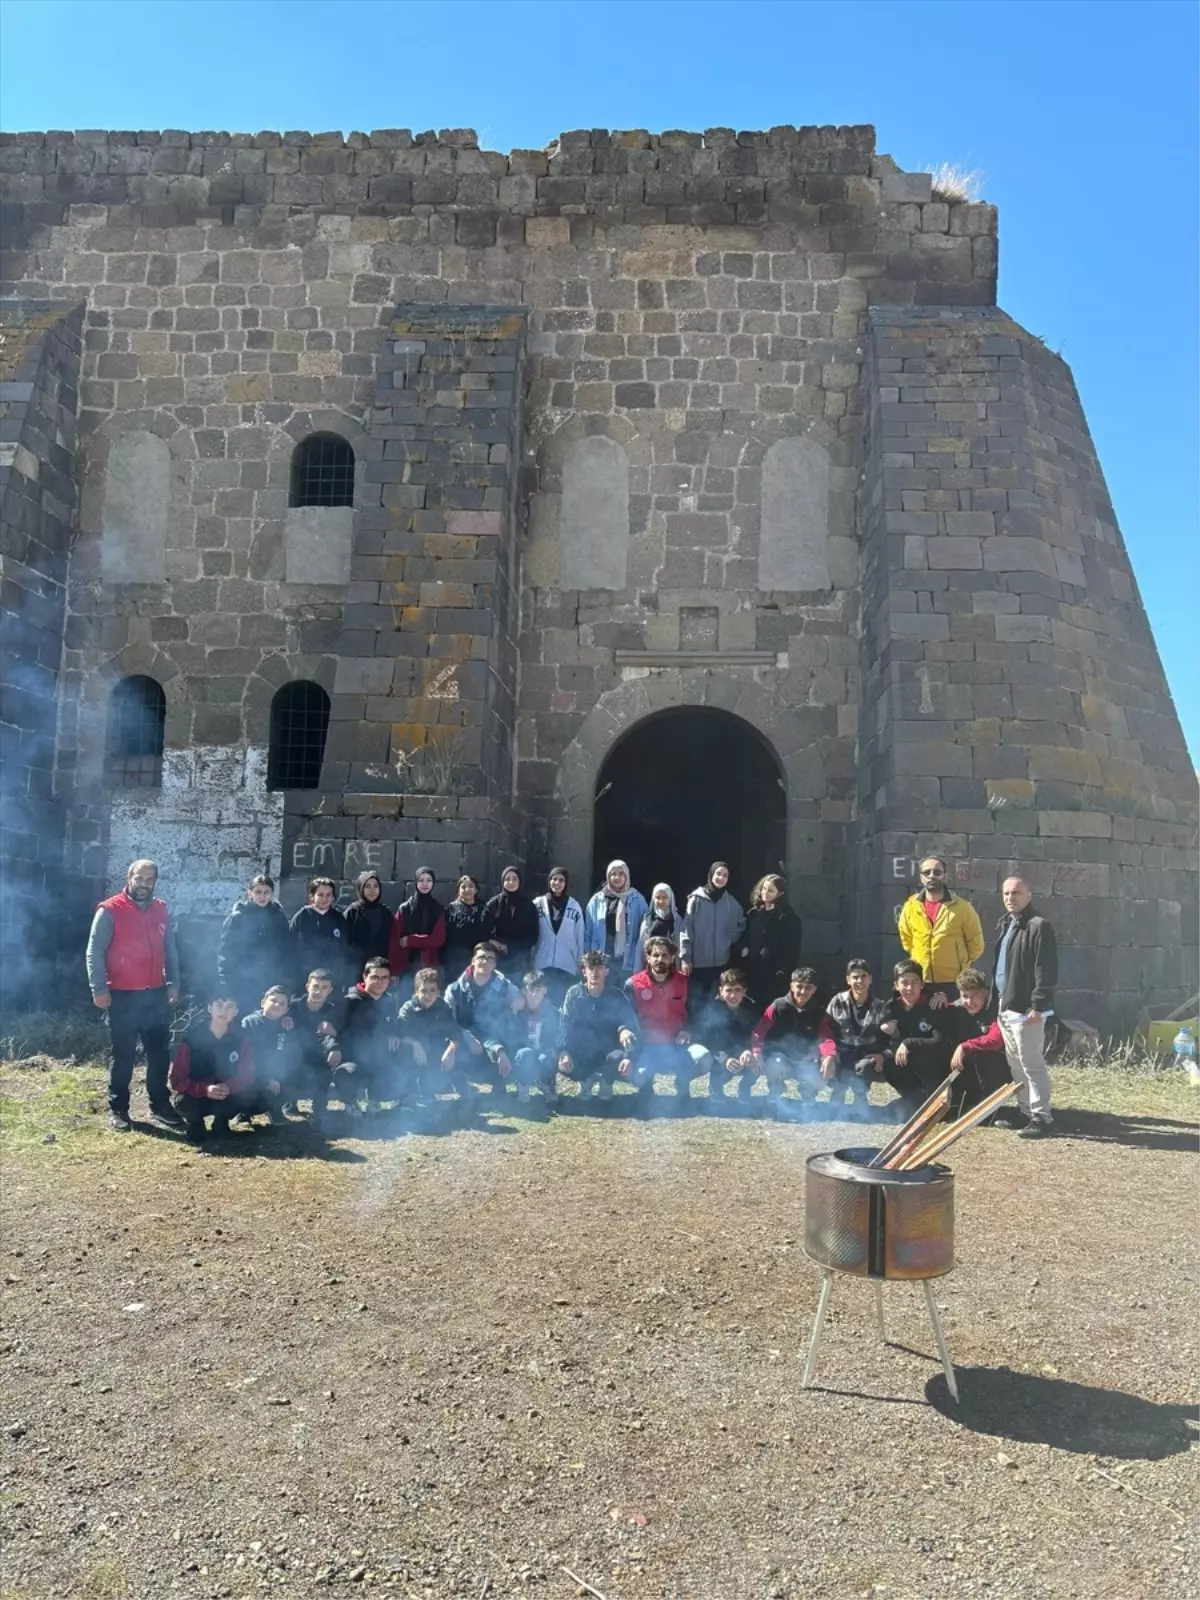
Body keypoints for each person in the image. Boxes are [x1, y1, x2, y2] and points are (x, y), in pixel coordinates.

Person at [86, 858, 182, 1133]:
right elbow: (94, 952)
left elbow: (170, 949)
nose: (144, 884)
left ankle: (160, 1104)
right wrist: (99, 989)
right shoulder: (109, 910)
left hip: (155, 995)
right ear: (129, 877)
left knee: (159, 1053)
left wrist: (174, 982)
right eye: (140, 878)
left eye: (150, 879)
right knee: (123, 1055)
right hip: (123, 996)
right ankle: (118, 1109)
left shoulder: (161, 909)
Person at [992, 877, 1059, 1138]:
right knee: (1015, 1064)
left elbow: (1046, 968)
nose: (1011, 897)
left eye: (1017, 893)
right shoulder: (1007, 923)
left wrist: (1038, 1004)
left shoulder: (1038, 926)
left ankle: (1042, 1117)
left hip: (1026, 1008)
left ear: (1028, 895)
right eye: (1007, 893)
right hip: (1005, 1004)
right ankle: (1024, 1112)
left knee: (1031, 1063)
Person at [624, 936, 710, 1107]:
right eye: (655, 955)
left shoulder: (685, 982)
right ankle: (646, 1087)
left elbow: (698, 1014)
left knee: (704, 1058)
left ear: (672, 958)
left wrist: (689, 1030)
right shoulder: (633, 984)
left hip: (677, 1047)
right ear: (647, 957)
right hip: (647, 1047)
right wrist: (627, 1038)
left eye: (664, 955)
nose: (660, 960)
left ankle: (682, 1081)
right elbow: (626, 1018)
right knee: (637, 1075)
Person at [168, 994, 258, 1145]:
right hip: (198, 1095)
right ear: (209, 1008)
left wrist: (229, 1086)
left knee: (248, 1094)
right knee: (182, 1101)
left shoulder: (241, 1038)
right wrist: (204, 1089)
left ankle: (221, 1122)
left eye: (230, 1007)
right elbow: (177, 1080)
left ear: (236, 1012)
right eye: (219, 1006)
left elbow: (247, 1074)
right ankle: (196, 1124)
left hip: (226, 1093)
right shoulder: (191, 1037)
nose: (224, 1011)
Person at [556, 951, 638, 1106]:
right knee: (561, 1058)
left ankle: (606, 1083)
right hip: (581, 1050)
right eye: (590, 968)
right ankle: (585, 1081)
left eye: (599, 967)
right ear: (583, 971)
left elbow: (631, 1025)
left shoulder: (616, 995)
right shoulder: (574, 994)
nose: (595, 972)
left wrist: (629, 1054)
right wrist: (562, 1050)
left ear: (606, 971)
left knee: (618, 1058)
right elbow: (563, 1024)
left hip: (609, 1051)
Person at [896, 857, 985, 1000]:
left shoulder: (963, 908)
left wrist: (960, 962)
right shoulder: (910, 907)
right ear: (921, 877)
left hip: (953, 981)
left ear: (945, 876)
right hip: (921, 979)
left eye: (937, 872)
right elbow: (906, 939)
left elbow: (976, 943)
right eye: (927, 872)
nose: (932, 876)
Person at [444, 944, 522, 1104]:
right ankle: (463, 1089)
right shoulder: (454, 989)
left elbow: (521, 998)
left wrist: (517, 1004)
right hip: (463, 1039)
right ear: (473, 961)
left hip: (493, 1040)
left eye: (490, 959)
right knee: (451, 1046)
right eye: (481, 957)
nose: (485, 962)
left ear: (494, 965)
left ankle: (499, 1085)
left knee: (507, 1039)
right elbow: (448, 1022)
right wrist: (466, 1037)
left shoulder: (505, 987)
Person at [878, 960, 952, 1116]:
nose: (910, 988)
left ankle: (930, 1099)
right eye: (904, 983)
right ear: (896, 985)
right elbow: (880, 1035)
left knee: (922, 1058)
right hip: (907, 1065)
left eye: (915, 982)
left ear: (922, 984)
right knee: (890, 1061)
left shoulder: (934, 1004)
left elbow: (941, 1042)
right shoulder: (891, 1007)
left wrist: (909, 1043)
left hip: (933, 1065)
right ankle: (913, 1097)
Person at [396, 967, 475, 1113]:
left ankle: (463, 1091)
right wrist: (416, 1044)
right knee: (404, 1052)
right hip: (414, 1053)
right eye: (424, 991)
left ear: (438, 992)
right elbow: (400, 1034)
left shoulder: (442, 1007)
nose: (428, 995)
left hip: (436, 1051)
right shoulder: (408, 1008)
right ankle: (406, 1095)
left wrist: (450, 1051)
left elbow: (455, 1033)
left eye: (432, 990)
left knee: (459, 1050)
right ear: (416, 991)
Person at [216, 875, 293, 1021]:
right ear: (250, 893)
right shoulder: (238, 917)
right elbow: (225, 951)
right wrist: (226, 980)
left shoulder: (279, 917)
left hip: (271, 981)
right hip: (243, 981)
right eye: (258, 892)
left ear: (272, 894)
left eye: (266, 892)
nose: (262, 896)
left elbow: (286, 951)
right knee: (243, 1021)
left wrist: (284, 979)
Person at [751, 966, 826, 1109]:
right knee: (774, 1064)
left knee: (819, 1073)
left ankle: (808, 1094)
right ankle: (775, 1091)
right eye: (799, 986)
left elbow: (823, 1037)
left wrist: (816, 1052)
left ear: (814, 989)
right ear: (791, 985)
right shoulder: (778, 1006)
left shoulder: (819, 1011)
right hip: (781, 1057)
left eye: (808, 988)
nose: (803, 992)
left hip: (806, 1058)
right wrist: (756, 1051)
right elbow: (759, 1031)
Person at [817, 959, 890, 1105]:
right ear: (848, 979)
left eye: (863, 976)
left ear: (870, 979)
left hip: (865, 1056)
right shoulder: (837, 1001)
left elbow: (887, 1038)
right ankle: (837, 1091)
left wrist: (882, 1054)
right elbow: (825, 1031)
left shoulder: (879, 1006)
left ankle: (861, 1097)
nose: (860, 981)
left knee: (865, 1066)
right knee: (821, 1060)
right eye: (855, 977)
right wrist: (828, 1054)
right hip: (840, 1052)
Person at [339, 958, 406, 1115]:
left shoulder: (389, 1001)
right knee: (347, 1072)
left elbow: (394, 1025)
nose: (380, 982)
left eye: (384, 978)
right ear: (365, 977)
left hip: (378, 1056)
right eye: (375, 977)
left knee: (402, 1057)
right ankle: (350, 1103)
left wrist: (394, 1034)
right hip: (352, 1057)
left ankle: (375, 1100)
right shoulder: (350, 1000)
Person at [944, 966, 1011, 1118]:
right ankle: (964, 1100)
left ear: (985, 993)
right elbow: (941, 1010)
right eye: (965, 996)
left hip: (1000, 1067)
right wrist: (938, 998)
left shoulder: (995, 1010)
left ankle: (992, 1108)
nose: (969, 1001)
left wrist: (964, 1046)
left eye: (975, 996)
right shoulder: (958, 1008)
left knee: (984, 1056)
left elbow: (995, 1040)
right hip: (971, 1068)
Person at [694, 967, 761, 1111]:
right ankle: (716, 1089)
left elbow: (755, 1034)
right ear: (720, 991)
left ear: (744, 992)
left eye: (737, 990)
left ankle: (744, 1089)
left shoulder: (751, 1009)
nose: (733, 995)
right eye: (728, 990)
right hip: (720, 1053)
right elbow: (709, 1040)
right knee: (716, 1064)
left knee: (758, 1061)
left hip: (742, 1052)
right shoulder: (712, 1009)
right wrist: (724, 1059)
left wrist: (750, 1051)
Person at [291, 968, 349, 1123]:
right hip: (293, 1053)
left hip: (319, 1055)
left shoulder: (333, 1011)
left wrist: (335, 1045)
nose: (318, 991)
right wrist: (282, 1019)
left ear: (330, 990)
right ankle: (288, 1104)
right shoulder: (292, 1006)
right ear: (307, 986)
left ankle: (320, 1107)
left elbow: (341, 1034)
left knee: (324, 1070)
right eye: (315, 986)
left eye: (324, 988)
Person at [680, 862, 746, 999]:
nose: (721, 878)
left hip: (721, 964)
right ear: (711, 874)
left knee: (716, 1007)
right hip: (698, 963)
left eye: (725, 875)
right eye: (718, 874)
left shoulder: (731, 902)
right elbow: (686, 929)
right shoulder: (696, 899)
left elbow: (741, 924)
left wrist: (729, 940)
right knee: (697, 1005)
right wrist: (685, 957)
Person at [739, 875, 802, 1007]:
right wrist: (744, 948)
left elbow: (792, 949)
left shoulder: (788, 918)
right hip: (752, 970)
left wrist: (782, 973)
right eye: (764, 889)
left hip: (774, 975)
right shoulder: (754, 913)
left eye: (770, 890)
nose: (765, 893)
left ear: (780, 894)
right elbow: (745, 935)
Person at [583, 861, 649, 981]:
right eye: (613, 874)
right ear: (608, 877)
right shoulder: (597, 900)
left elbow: (646, 931)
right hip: (602, 955)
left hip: (628, 957)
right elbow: (588, 931)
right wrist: (587, 958)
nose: (617, 877)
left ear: (626, 876)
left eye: (621, 874)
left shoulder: (638, 900)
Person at [531, 868, 586, 1003]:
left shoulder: (575, 907)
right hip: (542, 961)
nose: (557, 883)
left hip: (566, 964)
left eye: (561, 880)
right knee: (543, 1003)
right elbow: (531, 931)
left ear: (566, 883)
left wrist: (580, 963)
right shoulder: (537, 904)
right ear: (549, 881)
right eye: (554, 879)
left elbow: (580, 936)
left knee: (562, 1002)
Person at [290, 876, 351, 991]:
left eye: (328, 895)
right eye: (320, 895)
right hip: (305, 978)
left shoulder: (338, 918)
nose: (324, 898)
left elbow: (344, 949)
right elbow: (290, 946)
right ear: (312, 896)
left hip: (333, 980)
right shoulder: (302, 916)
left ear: (333, 897)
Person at [510, 970, 562, 1104]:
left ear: (545, 990)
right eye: (530, 990)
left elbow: (559, 1034)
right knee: (525, 1054)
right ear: (524, 990)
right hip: (522, 1054)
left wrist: (556, 1049)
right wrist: (513, 1011)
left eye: (538, 990)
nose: (534, 994)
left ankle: (546, 1084)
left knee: (547, 1057)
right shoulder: (518, 1009)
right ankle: (523, 1087)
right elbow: (508, 1033)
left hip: (542, 1051)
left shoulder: (552, 1011)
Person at [389, 867, 447, 981]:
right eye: (421, 880)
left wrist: (411, 940)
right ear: (416, 882)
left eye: (429, 880)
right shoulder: (404, 908)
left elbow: (438, 939)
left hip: (429, 965)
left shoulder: (438, 909)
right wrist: (394, 971)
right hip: (406, 965)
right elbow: (395, 940)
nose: (425, 884)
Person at [483, 867, 539, 979]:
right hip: (498, 957)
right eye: (507, 879)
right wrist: (495, 943)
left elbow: (533, 934)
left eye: (515, 879)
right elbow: (484, 929)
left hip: (521, 958)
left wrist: (513, 947)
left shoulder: (528, 906)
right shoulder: (494, 904)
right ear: (502, 881)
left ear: (520, 881)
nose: (511, 882)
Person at [343, 871, 394, 967]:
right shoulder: (352, 912)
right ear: (361, 888)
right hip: (356, 967)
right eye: (367, 886)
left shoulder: (385, 912)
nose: (372, 890)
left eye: (375, 886)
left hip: (380, 968)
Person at [444, 875, 489, 978]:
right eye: (463, 887)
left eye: (471, 886)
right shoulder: (450, 909)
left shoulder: (484, 909)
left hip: (477, 955)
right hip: (454, 958)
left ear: (476, 889)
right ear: (458, 890)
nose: (467, 889)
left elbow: (488, 931)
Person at [635, 883, 683, 971]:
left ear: (670, 899)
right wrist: (638, 969)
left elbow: (680, 945)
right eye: (658, 898)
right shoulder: (648, 920)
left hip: (671, 966)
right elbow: (641, 946)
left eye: (665, 898)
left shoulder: (677, 920)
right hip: (651, 967)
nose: (661, 901)